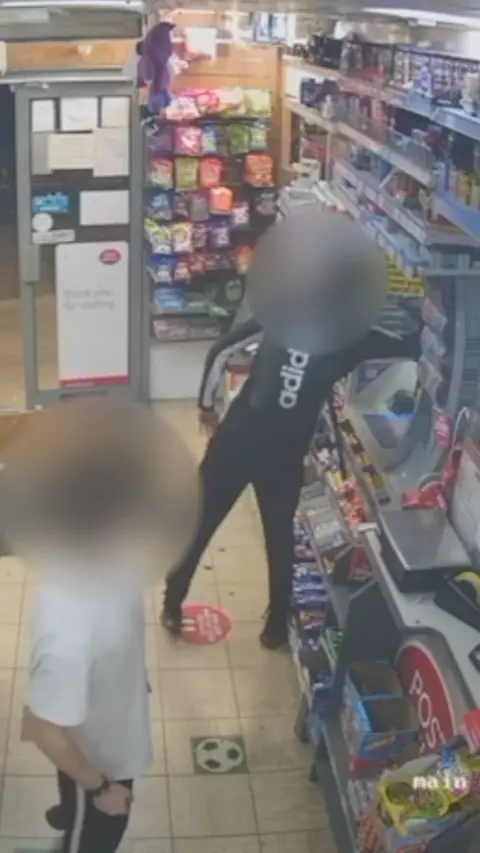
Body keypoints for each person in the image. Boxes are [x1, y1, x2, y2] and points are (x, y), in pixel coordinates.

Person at [2, 400, 198, 853]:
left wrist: (130, 675)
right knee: (94, 839)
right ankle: (77, 814)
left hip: (106, 716)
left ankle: (69, 808)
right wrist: (100, 789)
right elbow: (48, 730)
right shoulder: (68, 633)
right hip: (102, 761)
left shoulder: (113, 559)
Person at [162, 315, 421, 649]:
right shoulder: (355, 333)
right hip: (284, 452)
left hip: (239, 439)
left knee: (203, 520)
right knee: (278, 535)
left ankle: (173, 601)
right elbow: (410, 344)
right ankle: (275, 627)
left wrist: (206, 406)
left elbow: (222, 350)